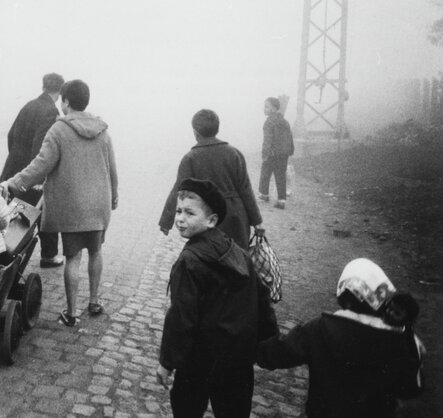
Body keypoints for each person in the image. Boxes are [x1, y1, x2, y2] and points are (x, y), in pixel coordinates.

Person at [157, 178, 278, 418]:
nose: (180, 218)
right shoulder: (236, 250)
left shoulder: (189, 261)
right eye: (179, 211)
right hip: (237, 358)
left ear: (211, 220)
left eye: (190, 213)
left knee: (186, 408)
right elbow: (261, 297)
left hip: (199, 359)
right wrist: (269, 340)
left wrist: (167, 362)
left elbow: (181, 318)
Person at [1, 79, 118, 327]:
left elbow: (40, 166)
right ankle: (94, 301)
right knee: (96, 251)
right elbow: (112, 169)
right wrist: (114, 196)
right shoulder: (103, 130)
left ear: (65, 101)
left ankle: (72, 312)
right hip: (99, 204)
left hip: (73, 205)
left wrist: (12, 183)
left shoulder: (59, 130)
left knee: (73, 257)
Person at [256, 258, 425, 418]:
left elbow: (275, 354)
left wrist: (260, 318)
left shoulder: (319, 328)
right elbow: (411, 389)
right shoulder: (398, 341)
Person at [159, 109, 263, 249]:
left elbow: (179, 190)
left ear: (195, 132)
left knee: (208, 260)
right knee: (237, 261)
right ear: (217, 129)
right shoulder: (234, 153)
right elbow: (245, 189)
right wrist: (257, 222)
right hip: (236, 218)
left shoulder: (190, 158)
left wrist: (166, 221)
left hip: (207, 217)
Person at [0, 73, 65, 268]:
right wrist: (39, 177)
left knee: (14, 211)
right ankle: (48, 255)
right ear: (60, 91)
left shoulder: (28, 105)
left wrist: (15, 159)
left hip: (13, 167)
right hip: (32, 172)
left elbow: (11, 135)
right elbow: (41, 148)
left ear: (43, 86)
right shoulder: (51, 112)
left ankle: (5, 250)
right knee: (43, 212)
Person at [258, 97, 295, 209]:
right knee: (280, 176)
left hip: (272, 153)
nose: (264, 109)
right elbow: (290, 137)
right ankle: (281, 200)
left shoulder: (269, 122)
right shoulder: (285, 122)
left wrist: (265, 153)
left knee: (265, 173)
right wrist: (290, 150)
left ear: (274, 108)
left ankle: (264, 194)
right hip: (284, 154)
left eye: (267, 106)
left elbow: (267, 140)